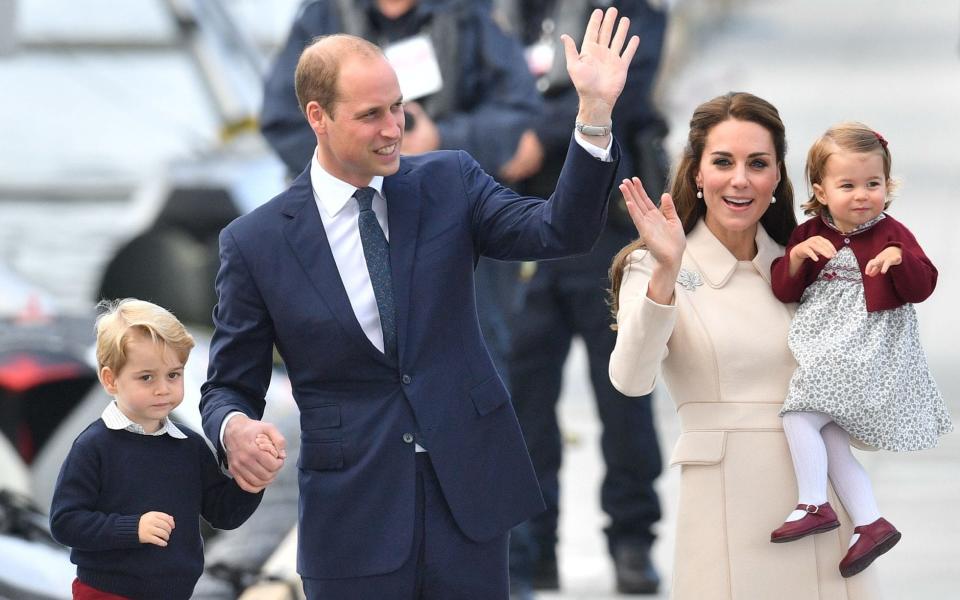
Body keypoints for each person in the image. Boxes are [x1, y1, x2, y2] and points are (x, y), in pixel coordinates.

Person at [200, 8, 638, 599]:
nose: (394, 128)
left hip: (470, 500)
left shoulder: (448, 181)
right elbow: (228, 385)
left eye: (397, 106)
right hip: (352, 518)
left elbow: (558, 231)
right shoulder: (254, 244)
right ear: (317, 118)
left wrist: (593, 117)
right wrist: (233, 429)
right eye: (370, 115)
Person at [608, 92, 882, 598]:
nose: (740, 179)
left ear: (778, 176)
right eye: (722, 162)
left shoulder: (815, 264)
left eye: (757, 163)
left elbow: (861, 412)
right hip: (727, 515)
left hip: (827, 521)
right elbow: (630, 379)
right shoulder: (657, 267)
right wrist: (666, 274)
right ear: (696, 173)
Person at [260, 0, 546, 379]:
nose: (391, 126)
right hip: (353, 224)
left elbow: (520, 114)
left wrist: (439, 140)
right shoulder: (323, 17)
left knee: (477, 367)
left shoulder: (471, 14)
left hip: (456, 228)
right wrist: (362, 160)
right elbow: (283, 122)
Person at [491, 0, 669, 594]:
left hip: (605, 220)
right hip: (511, 220)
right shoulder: (481, 14)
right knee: (520, 401)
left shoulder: (628, 10)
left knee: (624, 390)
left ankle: (632, 538)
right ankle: (530, 547)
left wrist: (536, 138)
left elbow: (632, 89)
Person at [767, 122, 952, 577]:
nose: (862, 195)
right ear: (821, 191)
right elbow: (785, 291)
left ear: (887, 187)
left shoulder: (892, 233)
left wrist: (900, 261)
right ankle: (869, 522)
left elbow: (923, 286)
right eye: (847, 185)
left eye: (873, 184)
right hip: (830, 349)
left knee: (798, 415)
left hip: (867, 353)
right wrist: (793, 259)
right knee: (829, 437)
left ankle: (813, 503)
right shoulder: (810, 231)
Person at [49, 299, 262, 600]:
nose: (163, 388)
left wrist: (252, 481)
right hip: (105, 593)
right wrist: (133, 528)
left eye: (173, 375)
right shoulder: (93, 446)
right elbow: (65, 522)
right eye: (147, 377)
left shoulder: (190, 446)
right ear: (110, 379)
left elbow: (223, 513)